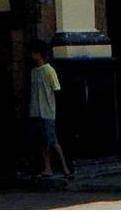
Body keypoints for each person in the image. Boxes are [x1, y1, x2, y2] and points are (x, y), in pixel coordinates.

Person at [28, 40, 70, 178]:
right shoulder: (34, 71)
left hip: (47, 111)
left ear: (38, 53)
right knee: (43, 141)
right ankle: (47, 167)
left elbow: (57, 89)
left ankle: (65, 169)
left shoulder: (49, 70)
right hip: (36, 110)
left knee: (53, 141)